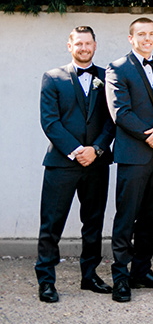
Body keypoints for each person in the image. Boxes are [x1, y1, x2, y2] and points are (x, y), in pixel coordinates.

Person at [36, 26, 115, 303]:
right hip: (62, 163)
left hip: (97, 162)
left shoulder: (107, 78)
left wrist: (96, 149)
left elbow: (111, 120)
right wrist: (75, 150)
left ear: (95, 45)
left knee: (93, 222)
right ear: (70, 46)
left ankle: (90, 275)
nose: (84, 48)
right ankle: (46, 281)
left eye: (88, 43)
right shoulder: (52, 78)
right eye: (78, 43)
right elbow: (50, 121)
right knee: (51, 224)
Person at [105, 17, 153, 302]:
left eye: (152, 34)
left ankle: (142, 271)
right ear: (131, 38)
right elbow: (121, 113)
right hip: (134, 156)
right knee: (126, 217)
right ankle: (120, 276)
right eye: (142, 34)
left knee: (150, 217)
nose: (148, 38)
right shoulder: (117, 68)